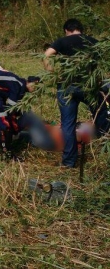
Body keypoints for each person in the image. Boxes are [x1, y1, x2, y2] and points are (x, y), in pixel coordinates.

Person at [43, 18, 110, 168]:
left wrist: (54, 74)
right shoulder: (92, 41)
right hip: (88, 86)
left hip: (66, 86)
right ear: (81, 29)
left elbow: (47, 55)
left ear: (67, 30)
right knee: (101, 115)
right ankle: (103, 151)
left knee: (68, 124)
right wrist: (99, 79)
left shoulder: (62, 41)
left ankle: (69, 162)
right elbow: (105, 62)